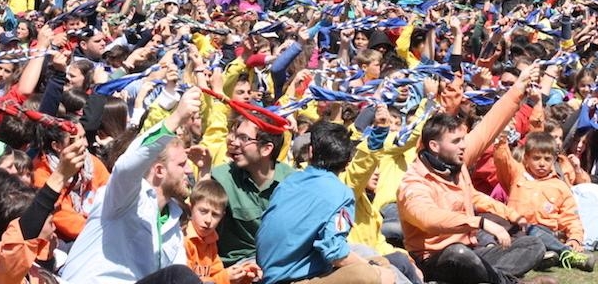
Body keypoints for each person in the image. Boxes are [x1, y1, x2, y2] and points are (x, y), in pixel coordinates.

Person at [59, 88, 203, 283]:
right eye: (181, 164)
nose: (188, 170)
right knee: (179, 276)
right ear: (159, 170)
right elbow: (127, 166)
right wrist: (176, 117)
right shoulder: (124, 196)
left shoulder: (173, 220)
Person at [397, 112, 546, 284]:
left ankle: (484, 277)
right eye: (456, 141)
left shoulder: (456, 168)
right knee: (458, 255)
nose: (463, 146)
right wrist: (480, 223)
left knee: (533, 244)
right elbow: (428, 219)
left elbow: (475, 197)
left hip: (473, 252)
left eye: (463, 140)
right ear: (434, 146)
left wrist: (510, 214)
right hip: (435, 259)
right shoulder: (414, 182)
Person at [258, 119, 398, 284]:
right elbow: (334, 251)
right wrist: (375, 272)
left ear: (310, 152)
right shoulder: (341, 193)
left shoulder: (289, 181)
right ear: (347, 163)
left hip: (271, 273)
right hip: (292, 279)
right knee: (370, 274)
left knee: (381, 261)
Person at [493, 131, 595, 271]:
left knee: (538, 233)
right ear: (526, 158)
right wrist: (501, 142)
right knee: (528, 230)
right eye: (536, 158)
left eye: (547, 159)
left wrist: (575, 238)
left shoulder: (560, 186)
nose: (542, 164)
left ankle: (548, 254)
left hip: (547, 234)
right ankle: (563, 253)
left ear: (554, 159)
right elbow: (503, 161)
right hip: (519, 232)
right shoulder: (517, 175)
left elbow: (571, 218)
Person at [212, 113, 292, 266]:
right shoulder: (221, 178)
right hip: (239, 268)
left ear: (266, 149)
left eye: (243, 138)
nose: (233, 142)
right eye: (234, 136)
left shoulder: (293, 183)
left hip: (281, 265)